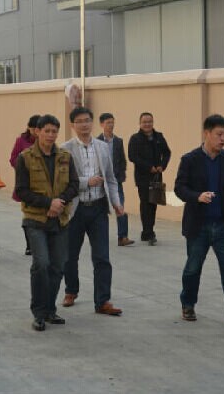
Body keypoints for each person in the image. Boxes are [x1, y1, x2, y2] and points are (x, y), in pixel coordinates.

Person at [174, 114, 224, 332]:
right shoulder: (190, 159)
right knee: (193, 268)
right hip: (198, 225)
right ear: (207, 133)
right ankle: (188, 303)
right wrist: (197, 196)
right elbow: (179, 188)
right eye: (219, 134)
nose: (223, 139)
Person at [15, 114, 79, 331]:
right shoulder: (25, 158)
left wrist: (60, 202)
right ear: (38, 132)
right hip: (35, 220)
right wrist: (47, 203)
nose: (51, 135)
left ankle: (50, 309)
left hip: (59, 219)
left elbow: (74, 184)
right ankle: (39, 312)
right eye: (47, 131)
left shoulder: (65, 157)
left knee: (58, 266)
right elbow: (21, 191)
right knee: (41, 264)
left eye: (54, 131)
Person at [61, 107, 125, 316]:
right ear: (73, 125)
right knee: (70, 256)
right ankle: (71, 290)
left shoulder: (102, 147)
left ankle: (103, 301)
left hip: (98, 208)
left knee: (102, 257)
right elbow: (63, 181)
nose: (84, 124)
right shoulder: (65, 149)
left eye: (87, 120)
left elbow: (111, 178)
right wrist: (86, 182)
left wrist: (116, 203)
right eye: (79, 121)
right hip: (76, 210)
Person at [128, 112, 171, 245]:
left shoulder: (159, 137)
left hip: (156, 176)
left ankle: (147, 231)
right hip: (142, 177)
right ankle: (148, 232)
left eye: (149, 121)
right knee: (145, 204)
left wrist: (162, 166)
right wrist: (148, 167)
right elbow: (132, 156)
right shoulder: (135, 138)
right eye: (144, 122)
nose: (147, 124)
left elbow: (167, 152)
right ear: (140, 123)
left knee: (153, 204)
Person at [97, 112, 133, 246]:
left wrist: (121, 175)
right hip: (101, 181)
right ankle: (99, 236)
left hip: (116, 180)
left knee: (120, 206)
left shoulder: (118, 141)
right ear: (102, 124)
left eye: (112, 122)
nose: (111, 125)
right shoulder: (96, 142)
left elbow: (122, 160)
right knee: (101, 210)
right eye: (108, 123)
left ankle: (123, 237)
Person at [10, 114, 40, 255]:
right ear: (29, 128)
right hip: (25, 183)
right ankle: (30, 245)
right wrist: (23, 165)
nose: (36, 132)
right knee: (28, 214)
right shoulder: (21, 140)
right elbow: (13, 159)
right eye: (34, 129)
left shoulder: (45, 140)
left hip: (42, 184)